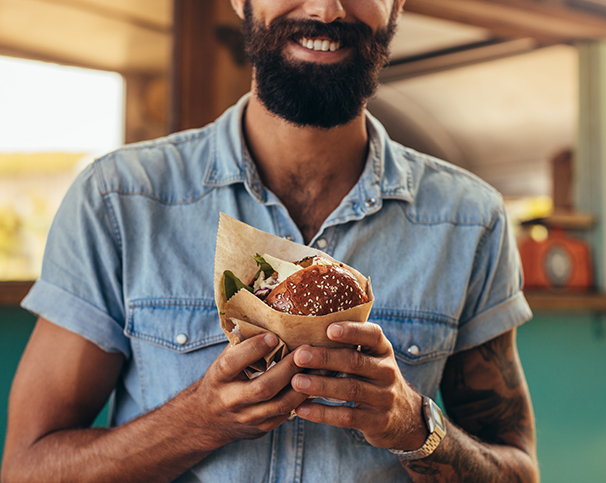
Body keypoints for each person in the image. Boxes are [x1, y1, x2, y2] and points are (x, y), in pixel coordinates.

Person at [2, 0, 539, 481]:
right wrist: (198, 421)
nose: (328, 10)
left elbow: (518, 472)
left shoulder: (471, 221)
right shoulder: (119, 200)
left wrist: (410, 424)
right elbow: (28, 469)